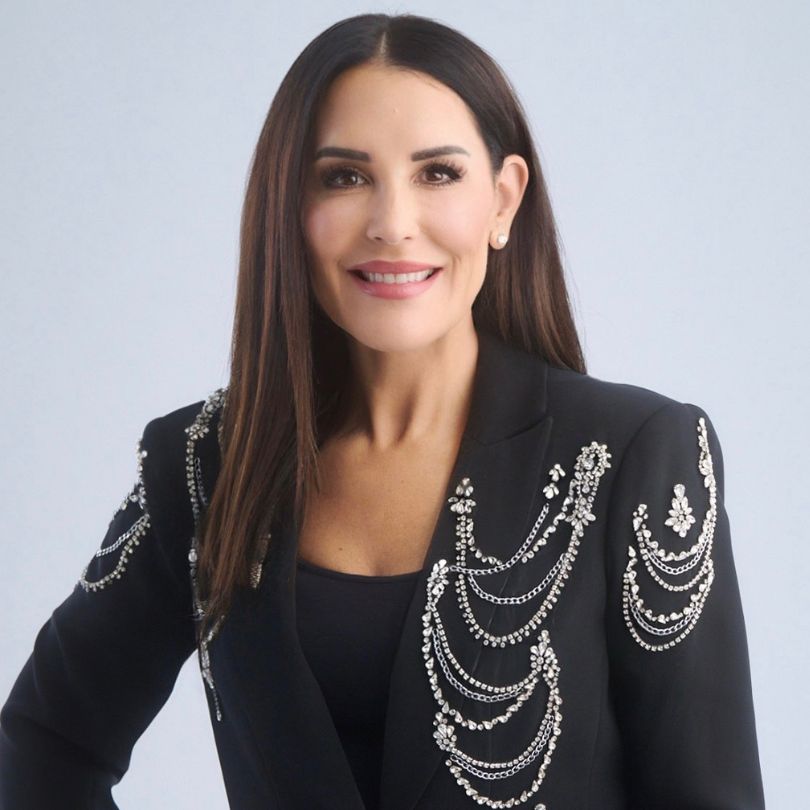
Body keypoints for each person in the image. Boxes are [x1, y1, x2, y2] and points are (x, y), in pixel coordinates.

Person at [0, 12, 766, 810]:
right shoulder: (204, 465)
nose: (392, 224)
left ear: (503, 201)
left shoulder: (638, 456)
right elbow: (45, 742)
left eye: (438, 173)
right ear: (290, 206)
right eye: (344, 177)